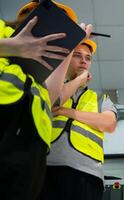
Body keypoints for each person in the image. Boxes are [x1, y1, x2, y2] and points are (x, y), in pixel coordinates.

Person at [0, 1, 92, 200]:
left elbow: (51, 95)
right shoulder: (2, 29)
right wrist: (12, 47)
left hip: (32, 142)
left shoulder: (40, 63)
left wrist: (70, 48)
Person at [38, 39, 117, 200]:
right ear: (67, 60)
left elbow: (108, 124)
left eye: (88, 58)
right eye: (77, 56)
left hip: (88, 173)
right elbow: (49, 104)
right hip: (47, 168)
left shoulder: (100, 97)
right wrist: (78, 81)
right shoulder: (53, 88)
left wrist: (64, 111)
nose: (83, 61)